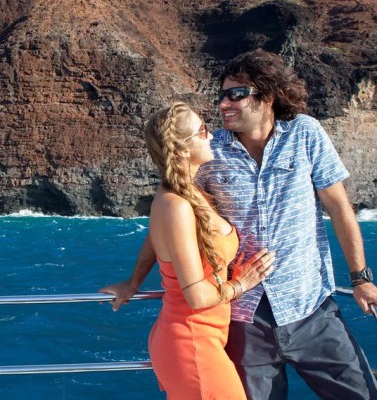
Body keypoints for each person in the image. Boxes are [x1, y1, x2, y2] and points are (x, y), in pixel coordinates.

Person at [101, 49, 377, 400]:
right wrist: (134, 280)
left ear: (268, 96)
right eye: (221, 95)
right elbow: (168, 222)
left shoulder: (305, 133)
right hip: (245, 321)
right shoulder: (209, 151)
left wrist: (361, 279)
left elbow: (339, 208)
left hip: (311, 308)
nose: (223, 104)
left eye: (236, 94)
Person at [143, 101, 275, 399]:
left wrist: (134, 281)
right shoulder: (176, 205)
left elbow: (159, 240)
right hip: (192, 344)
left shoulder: (188, 194)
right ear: (181, 149)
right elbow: (197, 295)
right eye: (202, 131)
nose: (212, 136)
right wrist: (242, 283)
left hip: (202, 338)